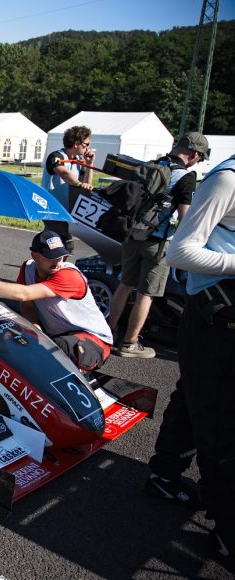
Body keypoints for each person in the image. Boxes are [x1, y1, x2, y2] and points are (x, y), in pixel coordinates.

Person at [144, 154, 235, 571]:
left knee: (194, 395)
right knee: (218, 416)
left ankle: (164, 475)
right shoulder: (227, 179)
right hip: (213, 313)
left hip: (218, 312)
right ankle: (227, 529)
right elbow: (181, 252)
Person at [107, 132, 209, 358]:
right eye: (199, 157)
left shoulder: (153, 165)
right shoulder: (186, 177)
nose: (198, 162)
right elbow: (185, 218)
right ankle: (129, 344)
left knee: (125, 284)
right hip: (158, 242)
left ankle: (108, 332)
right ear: (193, 153)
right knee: (146, 293)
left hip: (131, 234)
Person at [0, 230, 114, 372]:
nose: (58, 262)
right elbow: (27, 307)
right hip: (57, 335)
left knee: (49, 352)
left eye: (61, 256)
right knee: (6, 335)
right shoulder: (28, 269)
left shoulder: (69, 275)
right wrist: (35, 331)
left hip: (94, 341)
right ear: (35, 255)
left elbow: (23, 294)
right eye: (51, 257)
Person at [41, 125, 95, 252]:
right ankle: (46, 266)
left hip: (66, 211)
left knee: (54, 245)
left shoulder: (78, 161)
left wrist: (89, 164)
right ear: (77, 143)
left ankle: (45, 265)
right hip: (52, 209)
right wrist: (79, 184)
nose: (88, 147)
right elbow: (64, 174)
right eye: (86, 144)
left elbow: (87, 185)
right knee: (64, 245)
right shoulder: (56, 156)